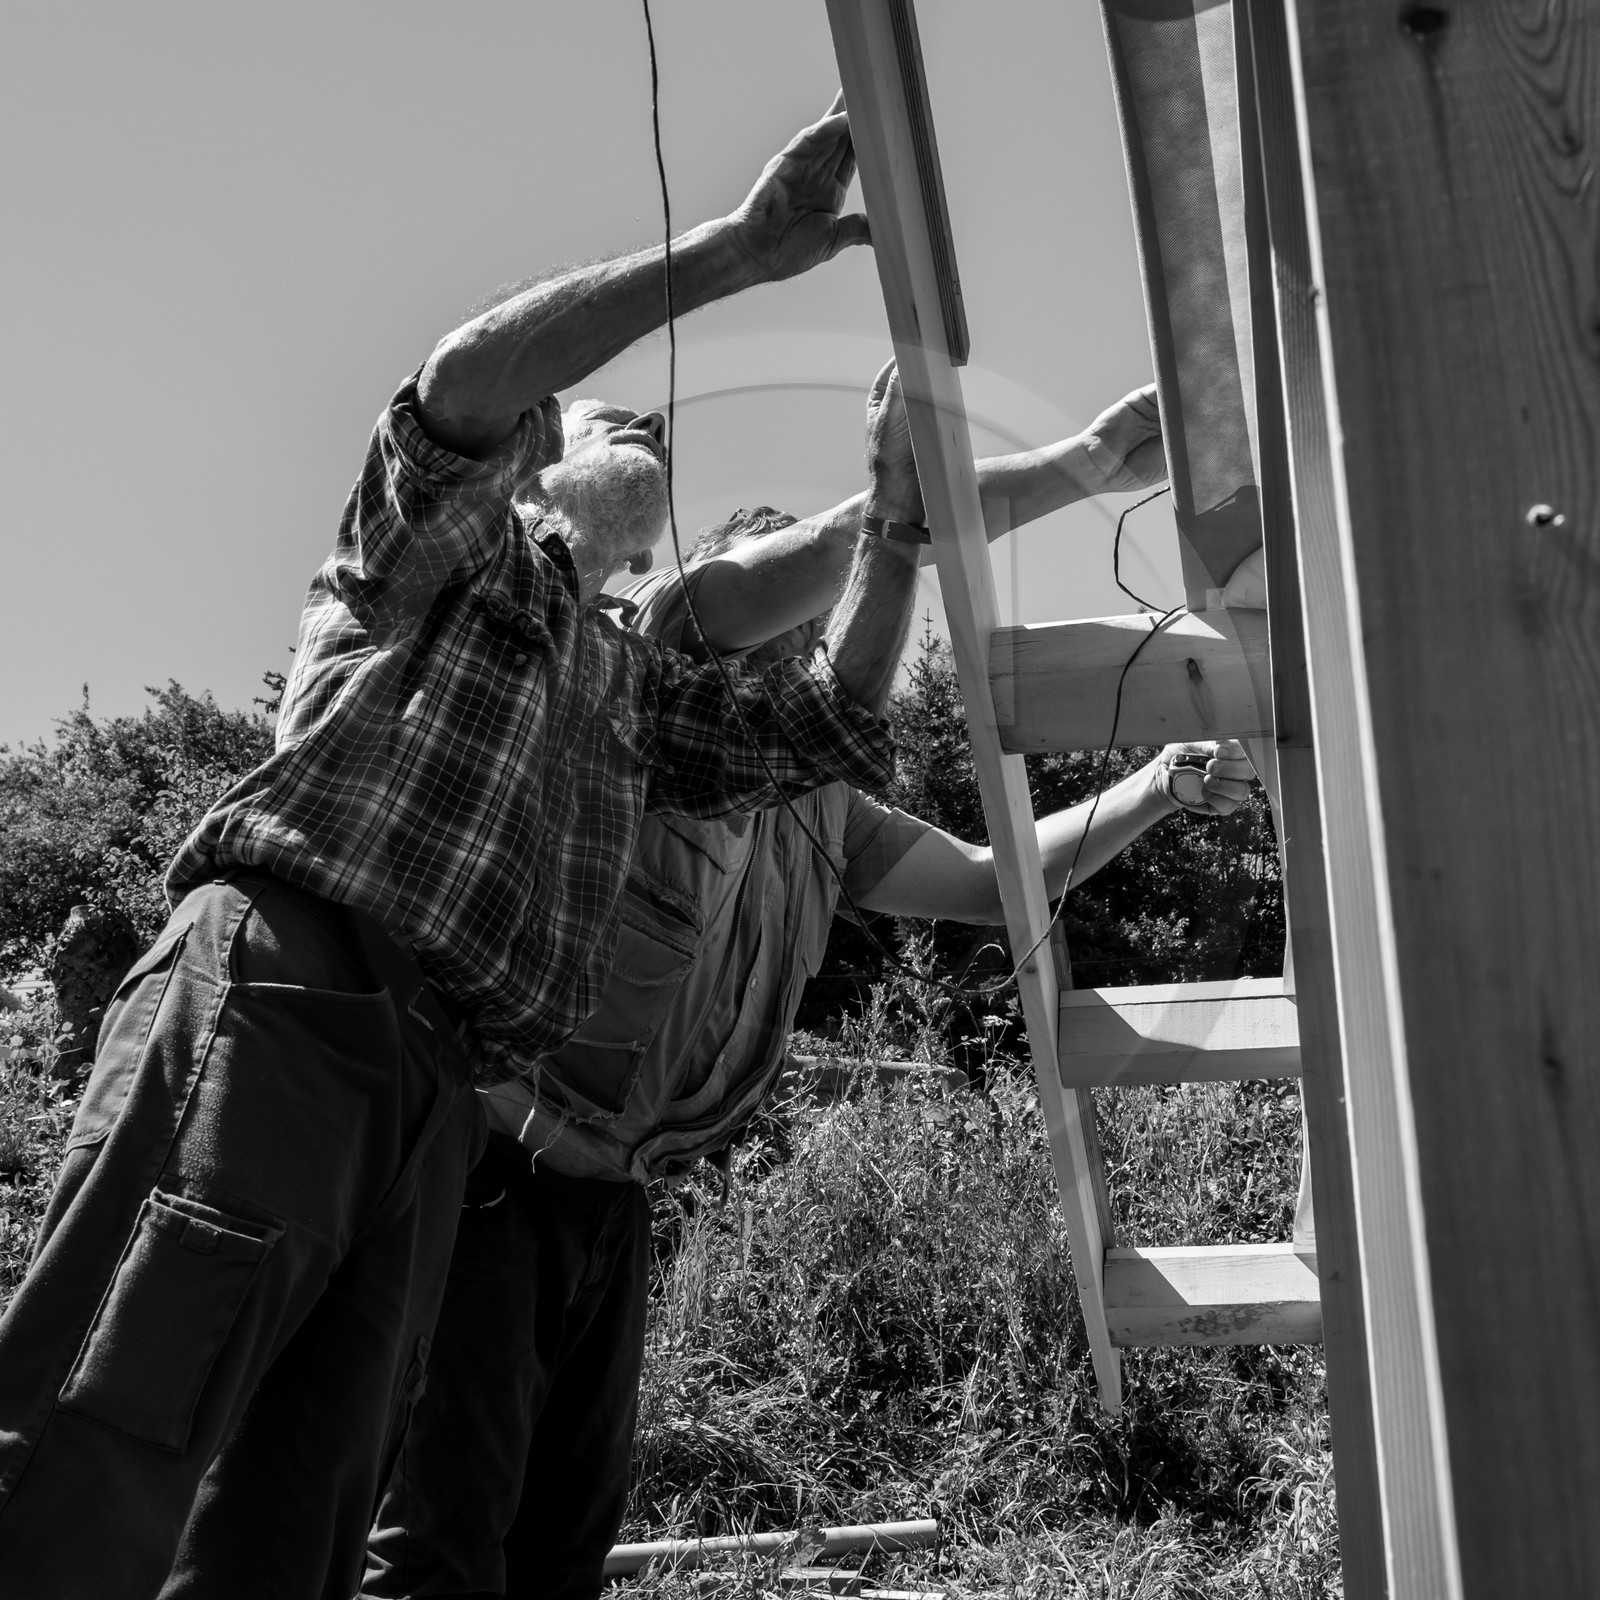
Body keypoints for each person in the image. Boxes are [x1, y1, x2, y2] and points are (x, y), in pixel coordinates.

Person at [0, 101, 929, 1600]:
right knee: (109, 1423)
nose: (655, 436)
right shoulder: (439, 534)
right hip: (289, 997)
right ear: (544, 452)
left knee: (294, 1519)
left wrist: (898, 541)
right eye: (625, 419)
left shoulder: (631, 682)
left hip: (441, 1092)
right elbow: (460, 378)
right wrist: (741, 256)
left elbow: (827, 731)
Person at [361, 384, 1257, 1600]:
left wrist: (1155, 784)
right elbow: (827, 553)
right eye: (786, 615)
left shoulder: (819, 802)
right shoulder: (659, 656)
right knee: (438, 1543)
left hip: (613, 1197)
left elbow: (994, 882)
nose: (803, 644)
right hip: (489, 1175)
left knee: (561, 1545)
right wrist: (1081, 462)